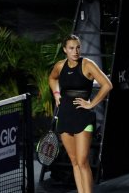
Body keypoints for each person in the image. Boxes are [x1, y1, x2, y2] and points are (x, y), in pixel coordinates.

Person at [48, 34, 112, 193]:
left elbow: (107, 85)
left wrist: (91, 103)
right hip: (65, 115)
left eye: (78, 47)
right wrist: (56, 95)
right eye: (71, 48)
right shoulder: (60, 66)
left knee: (83, 162)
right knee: (74, 161)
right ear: (65, 50)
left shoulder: (88, 64)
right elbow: (52, 78)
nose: (75, 51)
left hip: (83, 117)